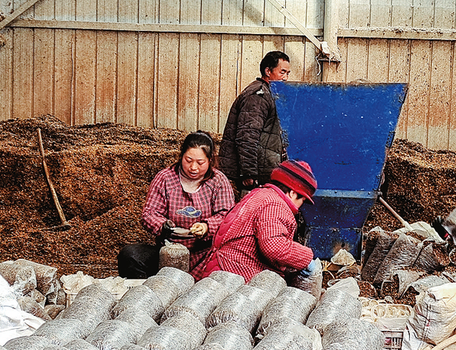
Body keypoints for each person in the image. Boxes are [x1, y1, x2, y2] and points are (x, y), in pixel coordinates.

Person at [118, 131, 235, 280]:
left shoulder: (218, 181)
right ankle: (149, 290)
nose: (193, 167)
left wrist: (206, 226)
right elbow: (149, 213)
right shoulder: (165, 178)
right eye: (188, 160)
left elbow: (227, 216)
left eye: (200, 163)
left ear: (210, 160)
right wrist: (162, 225)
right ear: (181, 156)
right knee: (130, 255)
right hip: (168, 252)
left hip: (204, 254)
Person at [199, 159, 318, 282]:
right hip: (234, 273)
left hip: (222, 268)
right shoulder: (275, 205)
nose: (300, 206)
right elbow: (274, 246)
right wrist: (306, 258)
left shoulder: (260, 194)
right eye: (302, 200)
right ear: (292, 193)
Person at [219, 50, 291, 199]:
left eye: (287, 73)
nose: (285, 78)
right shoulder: (259, 96)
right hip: (254, 176)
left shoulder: (268, 94)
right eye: (282, 72)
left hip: (262, 171)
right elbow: (247, 136)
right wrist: (248, 173)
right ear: (268, 71)